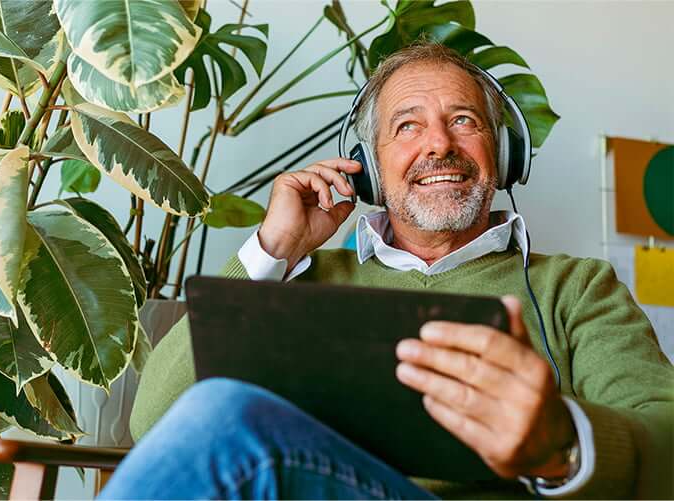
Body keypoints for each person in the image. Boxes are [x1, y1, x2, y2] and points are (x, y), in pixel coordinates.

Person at [101, 43, 673, 499]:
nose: (439, 145)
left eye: (465, 121)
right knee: (220, 415)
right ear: (368, 164)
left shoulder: (577, 288)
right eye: (407, 126)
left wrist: (561, 443)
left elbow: (666, 439)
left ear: (502, 152)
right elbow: (157, 423)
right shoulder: (298, 278)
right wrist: (274, 248)